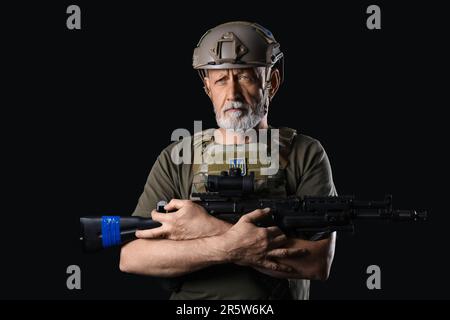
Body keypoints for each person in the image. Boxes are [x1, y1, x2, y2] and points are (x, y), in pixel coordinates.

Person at [119, 21, 337, 300]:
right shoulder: (177, 157)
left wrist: (211, 229)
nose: (232, 93)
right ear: (208, 87)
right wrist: (226, 246)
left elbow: (316, 263)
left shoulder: (304, 153)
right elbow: (132, 257)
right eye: (221, 80)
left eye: (245, 77)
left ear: (271, 83)